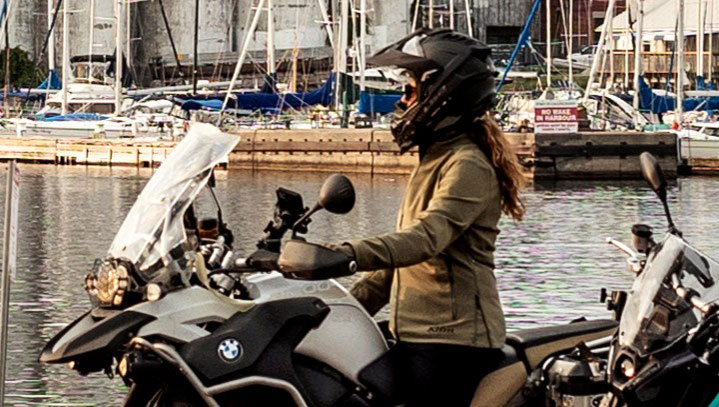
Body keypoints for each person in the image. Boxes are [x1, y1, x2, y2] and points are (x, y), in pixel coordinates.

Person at [333, 29, 526, 406]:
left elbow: (425, 240)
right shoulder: (435, 159)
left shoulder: (467, 164)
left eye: (410, 90)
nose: (401, 101)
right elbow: (397, 265)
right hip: (418, 336)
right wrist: (337, 309)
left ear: (442, 95)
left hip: (453, 342)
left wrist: (345, 252)